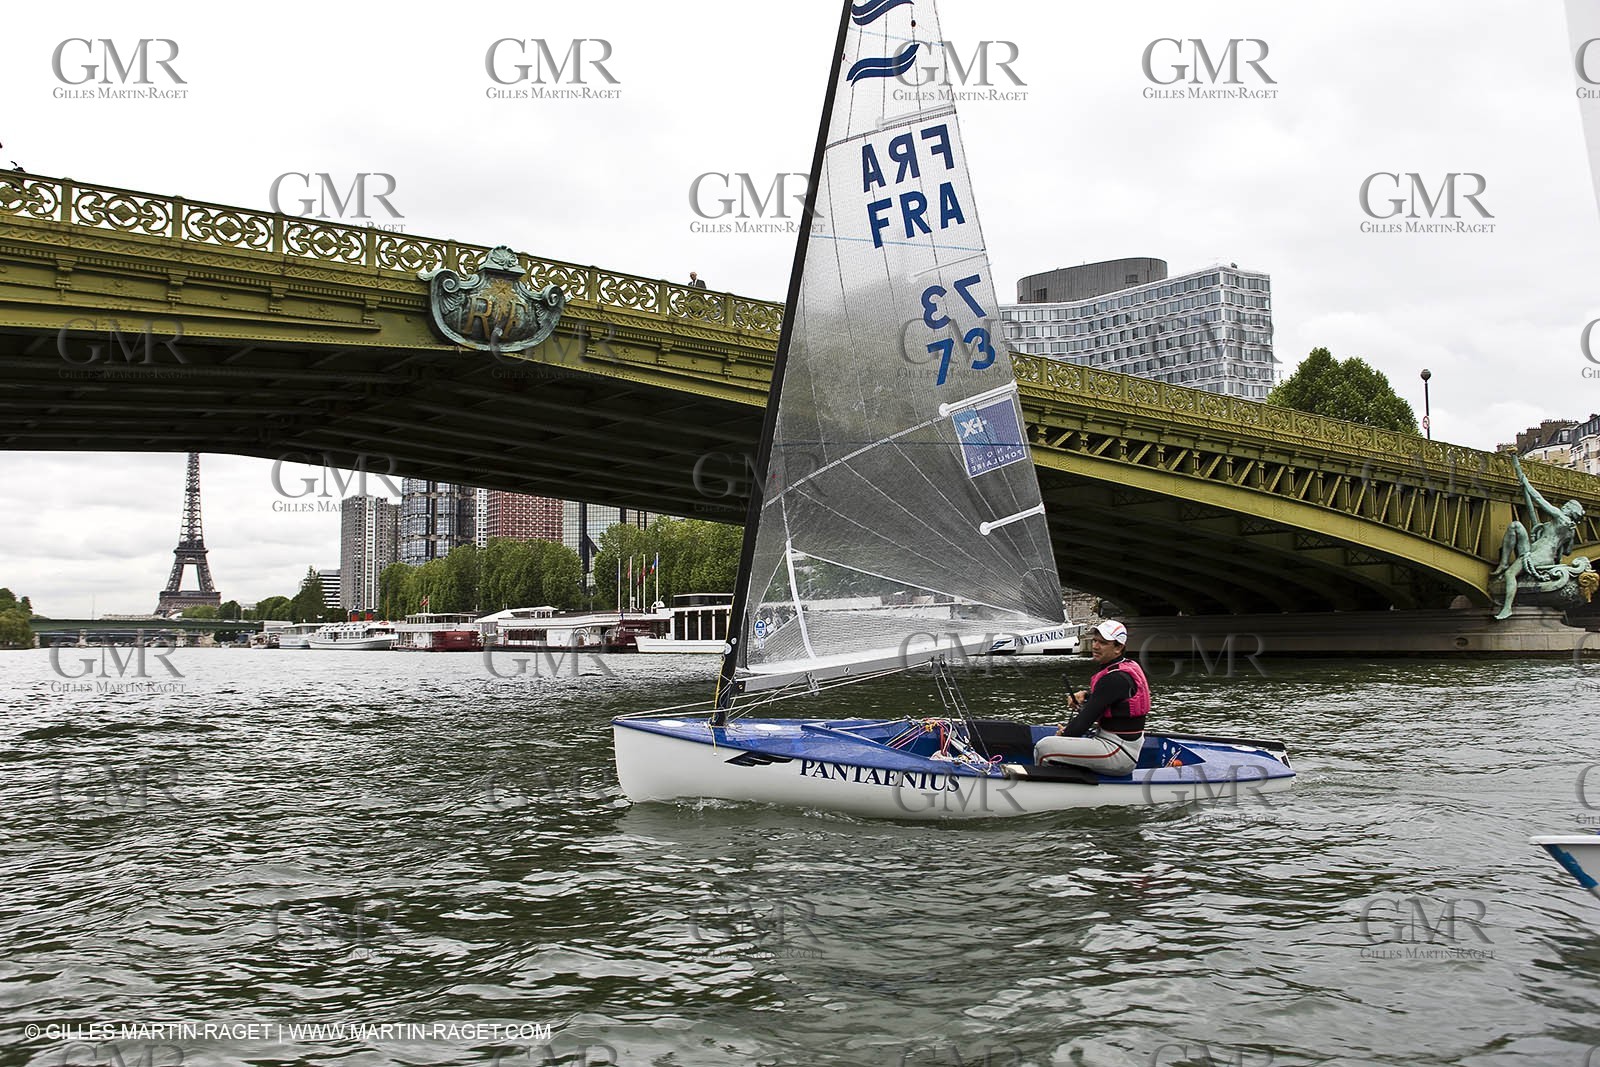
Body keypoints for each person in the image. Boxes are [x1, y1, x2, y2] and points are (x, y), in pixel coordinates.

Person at [1033, 619, 1149, 775]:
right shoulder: (1124, 668)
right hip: (1119, 745)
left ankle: (1044, 787)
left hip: (1118, 753)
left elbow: (1084, 721)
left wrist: (1064, 735)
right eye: (1094, 640)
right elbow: (1110, 698)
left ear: (1118, 648)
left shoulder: (1114, 678)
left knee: (1044, 747)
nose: (1095, 646)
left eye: (1102, 643)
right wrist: (1086, 695)